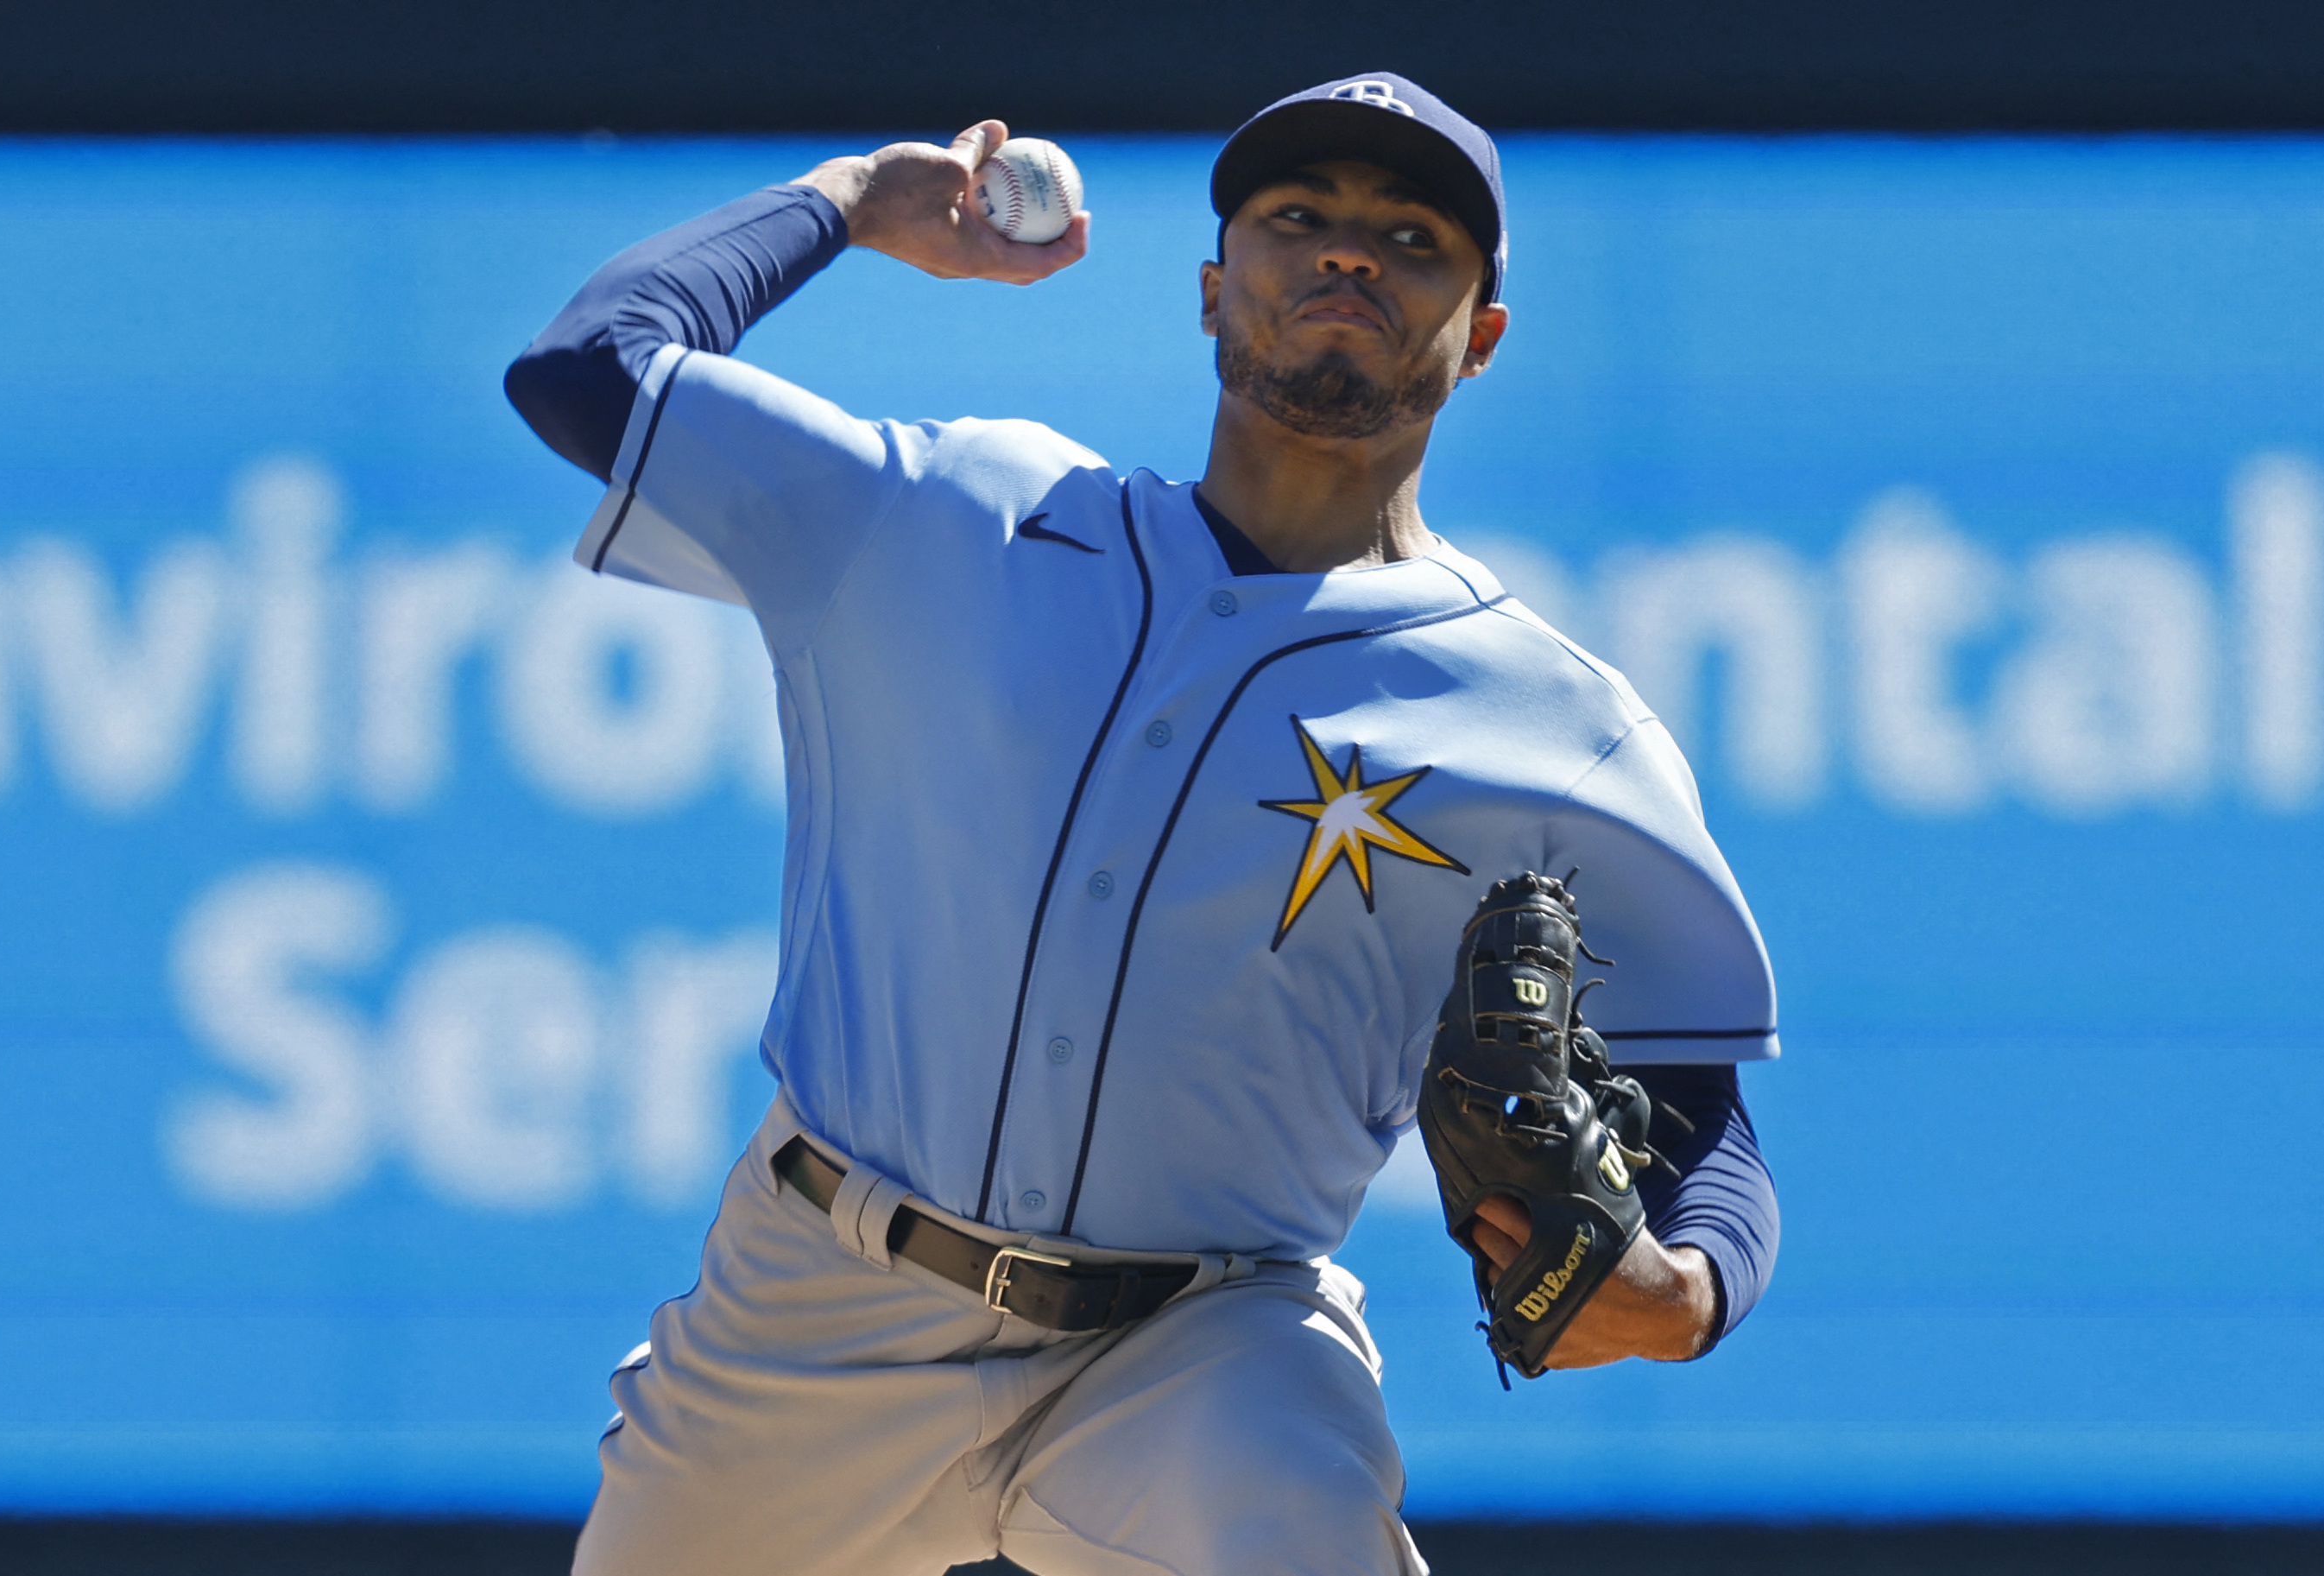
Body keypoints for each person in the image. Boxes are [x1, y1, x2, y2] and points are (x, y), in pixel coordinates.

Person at [506, 73, 1779, 1576]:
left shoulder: (1551, 725)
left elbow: (1691, 1103)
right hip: (815, 1313)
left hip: (1205, 1339)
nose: (1347, 254)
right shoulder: (951, 515)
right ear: (1210, 290)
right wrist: (846, 202)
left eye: (1412, 237)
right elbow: (589, 368)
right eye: (1296, 218)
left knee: (1294, 1516)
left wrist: (1687, 1286)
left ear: (1481, 333)